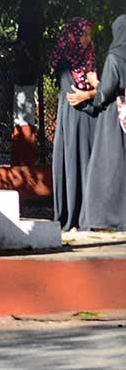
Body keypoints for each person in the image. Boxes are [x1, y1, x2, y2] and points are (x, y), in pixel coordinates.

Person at [72, 14, 126, 231]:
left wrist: (94, 83)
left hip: (114, 117)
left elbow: (105, 93)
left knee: (106, 167)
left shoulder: (115, 57)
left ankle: (102, 217)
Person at [53, 18, 101, 231]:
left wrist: (91, 94)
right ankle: (72, 217)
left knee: (90, 166)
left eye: (89, 34)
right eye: (83, 34)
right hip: (73, 120)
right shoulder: (64, 62)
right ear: (72, 35)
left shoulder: (90, 61)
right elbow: (72, 96)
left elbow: (103, 89)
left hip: (90, 120)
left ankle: (89, 216)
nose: (87, 39)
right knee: (74, 165)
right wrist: (93, 96)